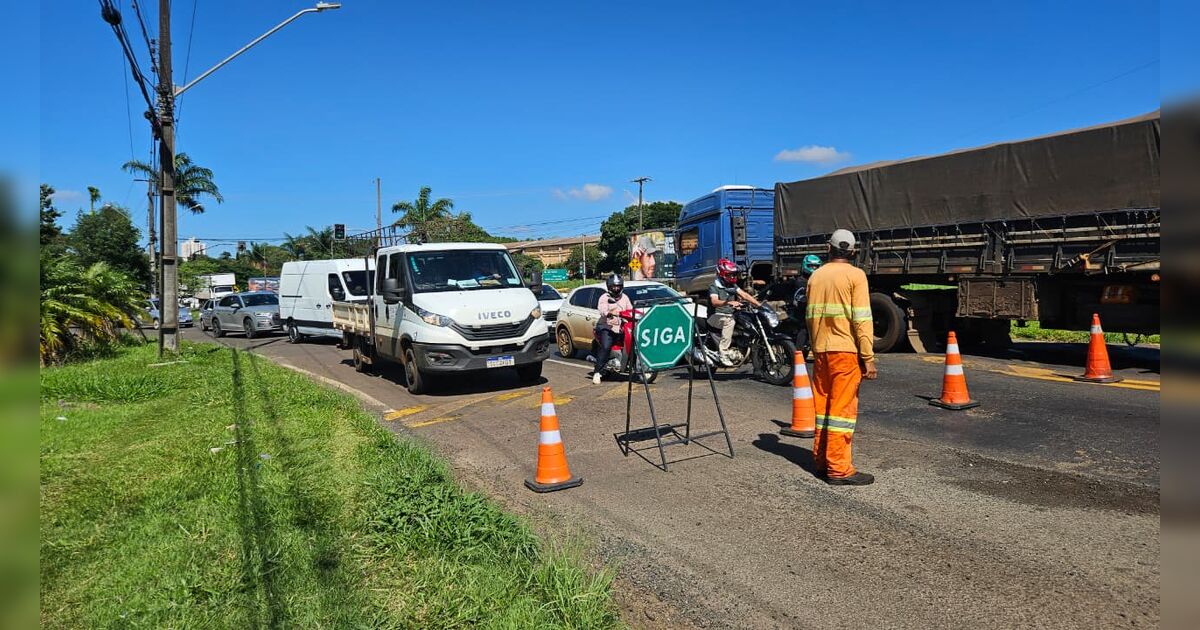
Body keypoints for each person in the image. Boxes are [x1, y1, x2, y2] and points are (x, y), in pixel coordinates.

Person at [806, 229, 877, 485]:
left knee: (823, 408)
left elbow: (810, 318)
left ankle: (822, 460)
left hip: (821, 351)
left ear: (829, 248)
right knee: (841, 412)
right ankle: (839, 469)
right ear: (853, 251)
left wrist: (816, 348)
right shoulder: (855, 275)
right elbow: (862, 319)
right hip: (845, 352)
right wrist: (868, 356)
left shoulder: (815, 276)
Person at [707, 258, 761, 366]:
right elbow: (714, 301)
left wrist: (759, 305)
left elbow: (745, 295)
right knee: (729, 322)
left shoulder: (732, 286)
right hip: (715, 316)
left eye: (734, 274)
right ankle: (723, 353)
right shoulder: (714, 286)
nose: (732, 277)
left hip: (729, 314)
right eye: (729, 275)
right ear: (722, 274)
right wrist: (728, 303)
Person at [593, 273, 633, 384]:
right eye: (614, 287)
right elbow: (602, 308)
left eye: (618, 286)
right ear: (609, 287)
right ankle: (597, 372)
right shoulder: (605, 297)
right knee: (606, 346)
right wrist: (607, 313)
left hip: (621, 327)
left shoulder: (625, 297)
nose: (616, 288)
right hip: (606, 327)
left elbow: (630, 309)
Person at [792, 254, 823, 359]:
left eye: (816, 266)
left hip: (814, 310)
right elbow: (801, 298)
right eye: (811, 266)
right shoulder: (801, 281)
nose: (814, 269)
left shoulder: (818, 280)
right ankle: (798, 353)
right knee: (804, 329)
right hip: (802, 310)